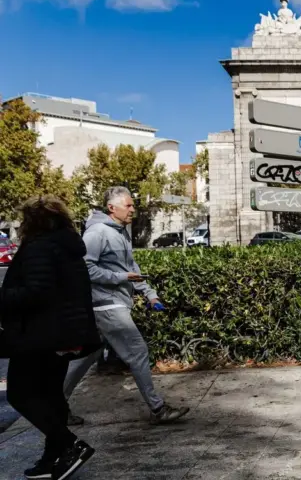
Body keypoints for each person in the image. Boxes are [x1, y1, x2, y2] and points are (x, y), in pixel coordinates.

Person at [63, 186, 189, 425]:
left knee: (87, 358)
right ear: (112, 208)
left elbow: (130, 268)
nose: (133, 209)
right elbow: (84, 268)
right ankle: (158, 409)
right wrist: (120, 279)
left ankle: (55, 407)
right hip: (106, 305)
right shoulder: (97, 232)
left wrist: (150, 294)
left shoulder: (120, 231)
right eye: (128, 205)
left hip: (113, 303)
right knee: (138, 352)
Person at [1, 195, 101, 479]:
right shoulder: (67, 247)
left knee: (20, 394)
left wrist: (3, 297)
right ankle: (51, 458)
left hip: (39, 335)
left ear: (32, 221)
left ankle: (71, 444)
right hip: (64, 333)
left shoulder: (38, 248)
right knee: (51, 395)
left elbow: (37, 292)